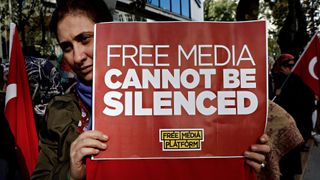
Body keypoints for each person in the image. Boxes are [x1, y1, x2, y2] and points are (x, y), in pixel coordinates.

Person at [32, 0, 271, 179]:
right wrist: (71, 173)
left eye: (85, 39)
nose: (77, 56)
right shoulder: (58, 111)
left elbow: (194, 155)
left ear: (111, 34)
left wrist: (240, 155)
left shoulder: (168, 94)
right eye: (67, 46)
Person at [272, 53, 315, 179]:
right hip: (278, 129)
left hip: (293, 127)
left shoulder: (297, 80)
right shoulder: (274, 79)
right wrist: (276, 95)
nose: (289, 68)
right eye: (287, 65)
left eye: (292, 65)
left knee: (288, 168)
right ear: (280, 66)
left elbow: (307, 102)